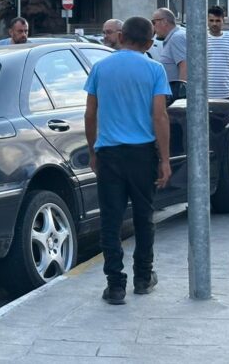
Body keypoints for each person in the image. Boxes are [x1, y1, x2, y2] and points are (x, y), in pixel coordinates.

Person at [83, 16, 172, 306]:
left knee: (110, 220)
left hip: (109, 153)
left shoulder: (100, 68)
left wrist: (93, 151)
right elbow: (159, 116)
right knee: (144, 217)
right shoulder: (154, 69)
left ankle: (115, 285)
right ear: (148, 43)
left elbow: (90, 114)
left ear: (121, 38)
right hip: (142, 153)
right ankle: (143, 278)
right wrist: (165, 159)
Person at [207, 6, 229, 100]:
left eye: (218, 21)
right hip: (206, 93)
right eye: (211, 20)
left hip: (227, 92)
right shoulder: (201, 40)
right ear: (207, 21)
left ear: (223, 21)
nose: (214, 24)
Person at [151, 8, 187, 83]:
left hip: (177, 93)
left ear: (164, 21)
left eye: (154, 22)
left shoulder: (176, 37)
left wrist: (181, 92)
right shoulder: (174, 37)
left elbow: (185, 66)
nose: (153, 27)